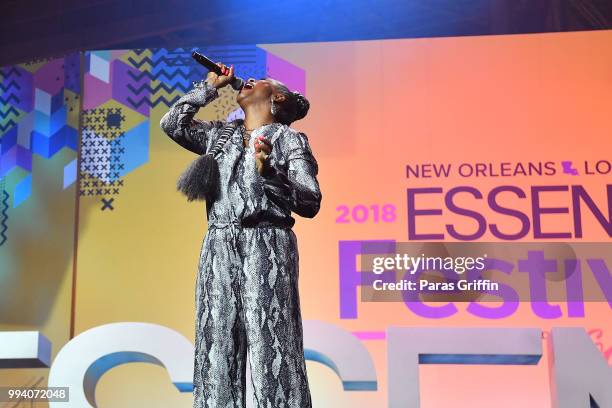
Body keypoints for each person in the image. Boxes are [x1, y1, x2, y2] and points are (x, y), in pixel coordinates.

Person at [160, 62, 321, 408]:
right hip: (218, 244)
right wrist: (209, 88)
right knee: (216, 345)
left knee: (272, 345)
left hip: (267, 242)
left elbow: (310, 201)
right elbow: (172, 124)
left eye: (261, 80)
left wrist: (270, 171)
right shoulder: (221, 136)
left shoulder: (288, 139)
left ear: (277, 96)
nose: (248, 80)